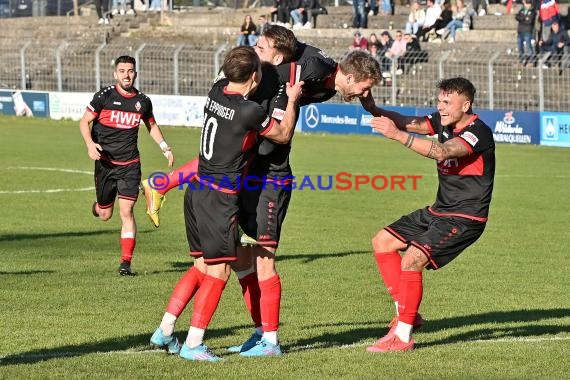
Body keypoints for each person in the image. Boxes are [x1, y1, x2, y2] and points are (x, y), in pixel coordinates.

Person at [146, 25, 382, 358]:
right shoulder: (289, 77)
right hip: (247, 178)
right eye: (255, 49)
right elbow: (281, 131)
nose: (255, 51)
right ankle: (254, 336)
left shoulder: (230, 89)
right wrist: (292, 98)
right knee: (237, 263)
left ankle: (264, 339)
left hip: (267, 178)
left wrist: (366, 103)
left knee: (257, 260)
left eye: (260, 46)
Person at [150, 46, 303, 362]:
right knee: (219, 272)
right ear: (254, 76)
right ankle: (193, 344)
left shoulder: (215, 90)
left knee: (202, 267)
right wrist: (292, 98)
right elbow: (284, 134)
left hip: (196, 190)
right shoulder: (249, 111)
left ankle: (165, 330)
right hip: (220, 197)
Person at [360, 77, 495, 352]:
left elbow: (443, 152)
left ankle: (403, 336)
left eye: (447, 102)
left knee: (412, 258)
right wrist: (375, 108)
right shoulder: (443, 122)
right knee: (382, 241)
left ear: (465, 105)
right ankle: (408, 311)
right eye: (439, 101)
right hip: (439, 210)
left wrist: (397, 135)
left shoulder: (478, 131)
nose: (441, 107)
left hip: (466, 217)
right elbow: (408, 121)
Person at [79, 55, 174, 276]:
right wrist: (90, 144)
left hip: (130, 165)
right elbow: (85, 121)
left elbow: (151, 125)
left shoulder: (142, 101)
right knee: (105, 214)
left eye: (130, 71)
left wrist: (165, 146)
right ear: (115, 74)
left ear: (136, 74)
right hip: (105, 164)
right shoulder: (104, 96)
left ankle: (125, 263)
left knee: (127, 210)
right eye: (122, 71)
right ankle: (98, 206)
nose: (126, 75)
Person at [516, 0, 537, 67]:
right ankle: (521, 60)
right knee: (520, 47)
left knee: (528, 46)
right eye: (526, 3)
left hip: (527, 31)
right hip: (520, 31)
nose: (527, 5)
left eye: (529, 3)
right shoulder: (522, 10)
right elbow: (517, 17)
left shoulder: (533, 11)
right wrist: (525, 18)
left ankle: (531, 61)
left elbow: (530, 21)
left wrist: (522, 19)